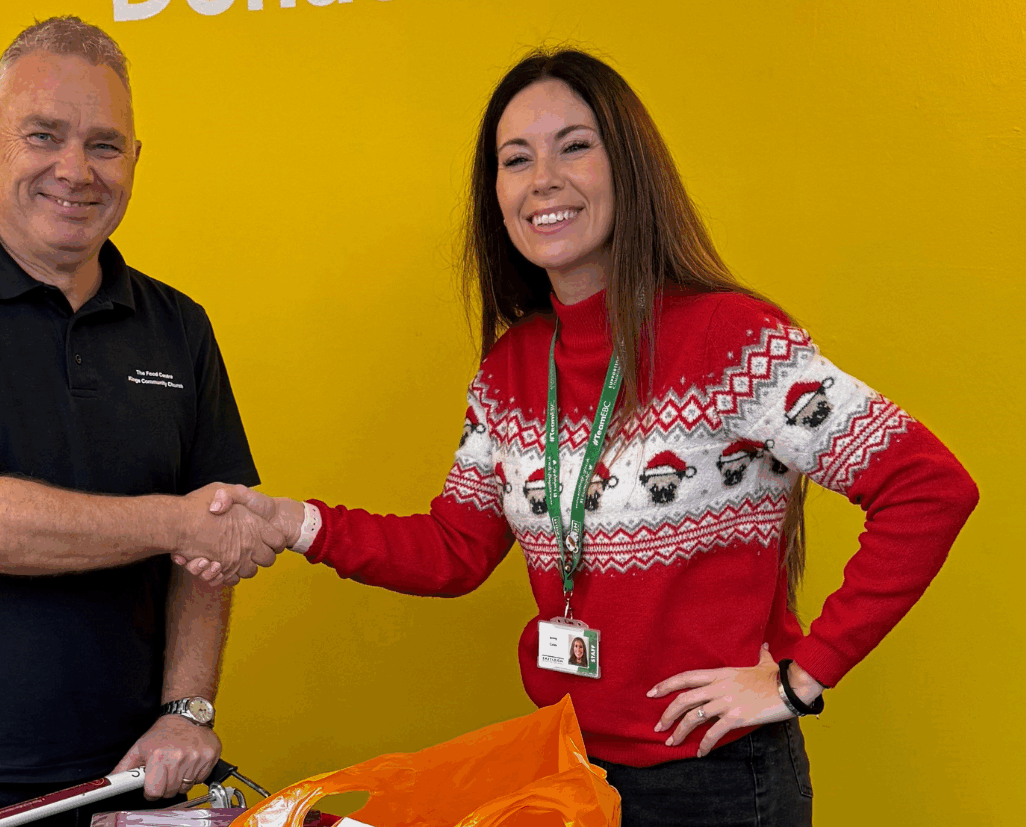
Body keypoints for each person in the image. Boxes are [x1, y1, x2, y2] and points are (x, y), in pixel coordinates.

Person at [205, 49, 978, 826]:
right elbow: (455, 549)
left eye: (574, 145)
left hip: (716, 781)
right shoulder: (510, 370)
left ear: (629, 167)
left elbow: (927, 486)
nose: (543, 177)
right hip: (571, 769)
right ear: (496, 196)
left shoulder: (732, 340)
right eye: (516, 159)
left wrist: (799, 676)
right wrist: (292, 522)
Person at [0, 17, 289, 827]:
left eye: (105, 145)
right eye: (43, 135)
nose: (75, 170)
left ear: (135, 163)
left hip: (133, 775)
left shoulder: (178, 326)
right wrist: (174, 519)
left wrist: (187, 709)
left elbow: (212, 542)